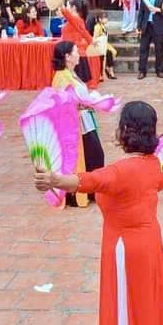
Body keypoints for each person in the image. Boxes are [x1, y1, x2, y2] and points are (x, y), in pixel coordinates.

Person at [33, 101, 163, 325]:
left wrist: (53, 180)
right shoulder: (152, 164)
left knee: (126, 315)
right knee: (150, 311)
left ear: (124, 131)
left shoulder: (119, 172)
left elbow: (84, 182)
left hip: (126, 250)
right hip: (151, 245)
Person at [52, 41, 106, 207]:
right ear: (67, 56)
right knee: (91, 156)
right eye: (76, 51)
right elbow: (64, 103)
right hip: (75, 123)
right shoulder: (61, 77)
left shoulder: (71, 73)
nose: (78, 54)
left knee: (94, 156)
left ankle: (89, 191)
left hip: (85, 120)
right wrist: (86, 103)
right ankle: (78, 193)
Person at [60, 0, 95, 84]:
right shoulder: (76, 20)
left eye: (68, 6)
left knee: (77, 83)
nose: (67, 8)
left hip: (74, 53)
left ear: (73, 8)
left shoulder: (75, 19)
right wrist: (91, 40)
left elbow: (66, 14)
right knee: (73, 82)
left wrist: (61, 5)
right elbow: (85, 32)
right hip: (71, 53)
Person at [137, 0, 163, 79]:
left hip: (158, 25)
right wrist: (139, 27)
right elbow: (141, 13)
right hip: (146, 26)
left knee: (159, 49)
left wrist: (158, 10)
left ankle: (160, 70)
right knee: (143, 49)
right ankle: (142, 71)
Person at [91, 9, 118, 81]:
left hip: (104, 45)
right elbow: (95, 37)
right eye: (105, 18)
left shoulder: (103, 26)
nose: (107, 19)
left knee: (110, 52)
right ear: (100, 19)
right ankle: (104, 73)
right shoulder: (97, 27)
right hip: (99, 46)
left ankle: (110, 71)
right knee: (107, 54)